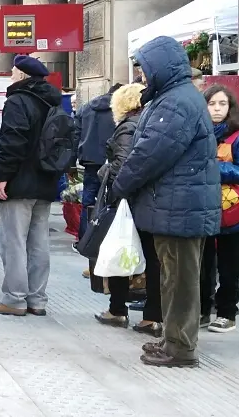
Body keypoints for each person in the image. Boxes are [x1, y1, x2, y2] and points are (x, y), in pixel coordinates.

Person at [111, 36, 220, 368]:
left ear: (160, 67)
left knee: (180, 281)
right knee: (175, 279)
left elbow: (149, 154)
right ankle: (174, 340)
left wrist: (121, 184)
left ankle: (181, 347)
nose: (142, 75)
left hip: (180, 206)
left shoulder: (176, 103)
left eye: (144, 68)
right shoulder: (175, 97)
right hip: (177, 204)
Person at [0, 55, 66, 317]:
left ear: (21, 75)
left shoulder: (18, 101)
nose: (10, 75)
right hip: (46, 180)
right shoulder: (54, 101)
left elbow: (12, 141)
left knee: (14, 241)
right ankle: (37, 299)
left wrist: (2, 176)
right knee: (39, 242)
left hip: (19, 181)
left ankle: (14, 299)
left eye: (13, 71)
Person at [91, 83, 162, 335]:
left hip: (130, 201)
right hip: (149, 200)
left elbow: (121, 166)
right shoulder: (149, 123)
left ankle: (118, 309)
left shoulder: (127, 127)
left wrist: (107, 175)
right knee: (153, 258)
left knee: (122, 250)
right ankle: (153, 315)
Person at [200, 85, 239, 334]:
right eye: (212, 103)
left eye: (222, 104)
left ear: (230, 107)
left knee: (228, 264)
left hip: (232, 210)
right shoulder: (199, 134)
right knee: (203, 264)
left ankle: (227, 312)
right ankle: (203, 309)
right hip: (204, 207)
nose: (217, 109)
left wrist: (214, 169)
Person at [74, 83, 120, 240]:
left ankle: (84, 236)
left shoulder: (86, 107)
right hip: (110, 160)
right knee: (109, 200)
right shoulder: (118, 109)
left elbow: (76, 133)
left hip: (90, 159)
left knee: (88, 198)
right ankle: (103, 236)